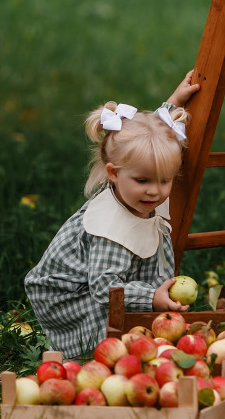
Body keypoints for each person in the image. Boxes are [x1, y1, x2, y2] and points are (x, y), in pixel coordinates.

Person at [25, 71, 200, 360]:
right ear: (114, 174)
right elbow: (105, 289)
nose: (155, 192)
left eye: (165, 181)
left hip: (97, 281)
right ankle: (89, 354)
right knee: (110, 339)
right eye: (144, 181)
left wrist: (174, 102)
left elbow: (153, 132)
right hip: (72, 295)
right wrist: (151, 298)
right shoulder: (109, 229)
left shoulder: (136, 185)